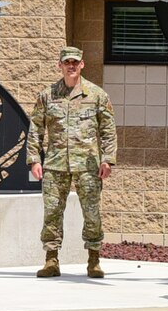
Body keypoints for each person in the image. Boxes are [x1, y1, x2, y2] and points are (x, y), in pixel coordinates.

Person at [26, 46, 117, 279]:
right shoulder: (47, 96)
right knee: (52, 213)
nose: (71, 66)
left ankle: (94, 260)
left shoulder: (96, 95)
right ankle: (51, 260)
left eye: (75, 62)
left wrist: (108, 159)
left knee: (92, 213)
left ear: (82, 64)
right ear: (60, 65)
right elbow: (35, 129)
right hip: (55, 164)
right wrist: (34, 159)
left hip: (88, 165)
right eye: (67, 62)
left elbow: (108, 130)